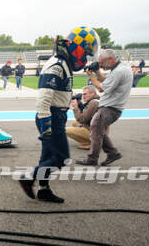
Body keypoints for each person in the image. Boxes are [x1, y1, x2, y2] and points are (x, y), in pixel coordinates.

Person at [19, 26, 100, 203]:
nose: (84, 59)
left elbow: (55, 93)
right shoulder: (57, 64)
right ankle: (29, 178)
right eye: (84, 53)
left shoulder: (63, 63)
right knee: (62, 158)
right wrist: (46, 124)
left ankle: (43, 190)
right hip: (50, 116)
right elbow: (44, 97)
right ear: (77, 49)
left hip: (55, 115)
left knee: (48, 157)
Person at [76, 49, 132, 166]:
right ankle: (113, 153)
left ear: (110, 59)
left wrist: (91, 76)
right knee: (98, 130)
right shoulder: (121, 68)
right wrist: (97, 72)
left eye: (101, 63)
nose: (100, 65)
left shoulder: (118, 72)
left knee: (95, 131)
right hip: (113, 107)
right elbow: (106, 82)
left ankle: (92, 159)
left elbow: (101, 88)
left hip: (109, 107)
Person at [65, 85, 99, 150]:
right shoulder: (96, 100)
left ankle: (89, 143)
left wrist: (75, 108)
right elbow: (86, 111)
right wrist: (79, 103)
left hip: (95, 133)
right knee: (75, 123)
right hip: (99, 131)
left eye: (85, 94)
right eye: (83, 94)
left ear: (92, 93)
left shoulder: (93, 103)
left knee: (64, 130)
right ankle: (92, 141)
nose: (83, 96)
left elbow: (82, 119)